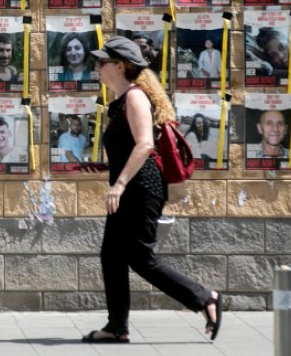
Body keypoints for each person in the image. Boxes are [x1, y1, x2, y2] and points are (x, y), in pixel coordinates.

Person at [82, 35, 221, 344]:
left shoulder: (135, 97)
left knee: (140, 257)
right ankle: (117, 326)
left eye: (102, 62)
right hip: (131, 186)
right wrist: (108, 169)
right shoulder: (118, 103)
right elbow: (132, 147)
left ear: (119, 66)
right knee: (111, 256)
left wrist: (118, 183)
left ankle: (205, 298)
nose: (97, 66)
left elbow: (145, 144)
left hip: (141, 189)